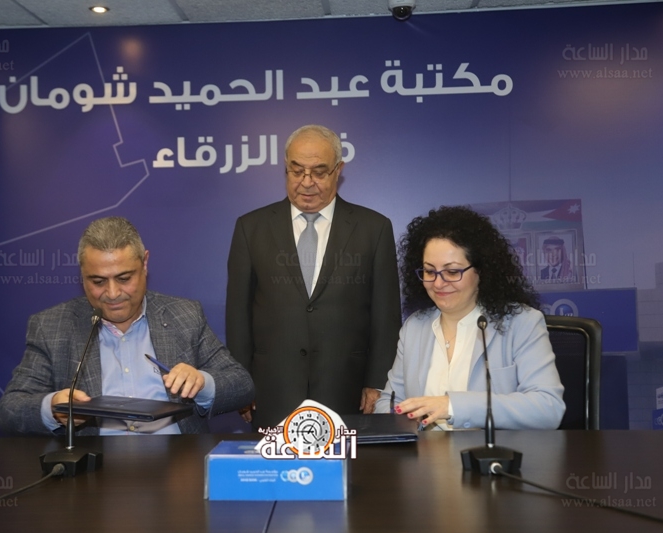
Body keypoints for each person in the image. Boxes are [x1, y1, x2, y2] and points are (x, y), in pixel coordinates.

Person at [0, 217, 254, 435]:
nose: (112, 293)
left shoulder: (184, 315)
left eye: (124, 278)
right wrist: (53, 407)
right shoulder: (52, 326)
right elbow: (10, 409)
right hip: (94, 468)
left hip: (178, 464)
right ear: (82, 275)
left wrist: (201, 382)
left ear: (144, 263)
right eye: (98, 281)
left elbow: (242, 385)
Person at [226, 124, 402, 430]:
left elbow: (385, 314)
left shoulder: (373, 229)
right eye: (297, 171)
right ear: (286, 167)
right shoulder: (250, 228)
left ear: (338, 170)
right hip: (271, 392)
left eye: (319, 172)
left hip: (346, 389)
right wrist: (241, 383)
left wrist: (377, 381)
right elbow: (238, 315)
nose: (306, 182)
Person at [374, 206, 565, 430]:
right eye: (429, 271)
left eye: (452, 272)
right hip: (425, 451)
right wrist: (398, 420)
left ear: (481, 271)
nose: (438, 283)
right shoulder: (414, 327)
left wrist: (451, 406)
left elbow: (548, 408)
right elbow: (389, 401)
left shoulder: (522, 323)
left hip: (492, 451)